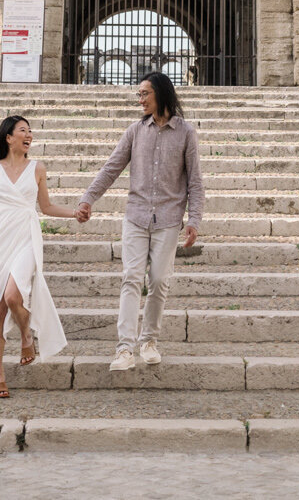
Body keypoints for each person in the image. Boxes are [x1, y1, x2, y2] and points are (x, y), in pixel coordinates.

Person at [72, 71, 202, 372]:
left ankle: (149, 341)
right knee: (131, 277)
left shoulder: (186, 133)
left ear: (161, 94)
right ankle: (125, 348)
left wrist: (194, 219)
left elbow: (195, 181)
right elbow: (111, 168)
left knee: (158, 280)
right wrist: (88, 198)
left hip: (169, 219)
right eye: (139, 94)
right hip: (136, 216)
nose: (140, 99)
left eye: (145, 93)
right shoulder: (134, 131)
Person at [0, 114, 69, 398]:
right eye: (23, 130)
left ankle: (26, 334)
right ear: (8, 137)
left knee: (13, 296)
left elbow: (45, 207)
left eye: (30, 131)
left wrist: (76, 213)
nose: (29, 135)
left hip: (26, 237)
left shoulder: (37, 168)